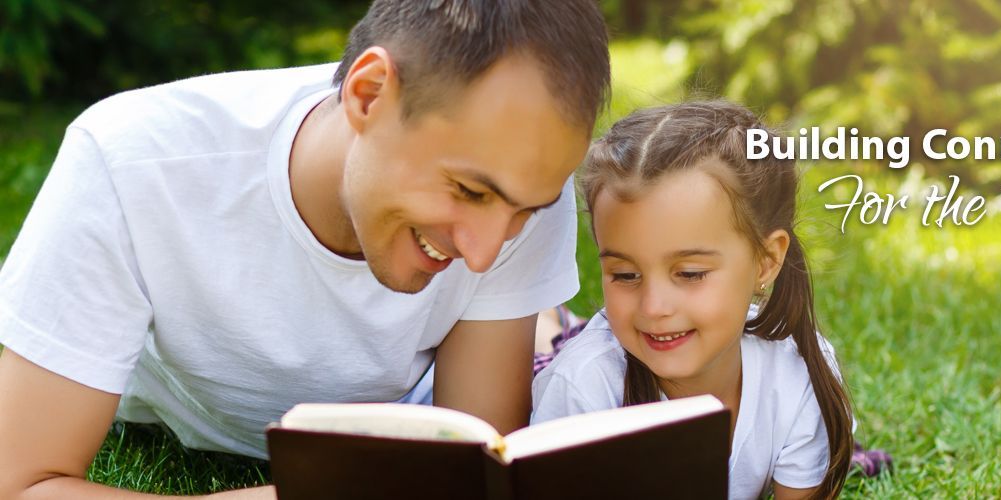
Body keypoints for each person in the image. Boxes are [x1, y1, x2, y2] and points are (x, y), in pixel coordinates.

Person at [0, 0, 609, 497]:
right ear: (369, 95)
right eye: (468, 191)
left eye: (524, 211)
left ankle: (546, 326)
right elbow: (22, 482)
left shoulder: (521, 191)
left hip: (406, 399)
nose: (484, 254)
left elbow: (474, 465)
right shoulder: (132, 163)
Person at [531, 101, 856, 500]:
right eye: (626, 275)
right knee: (555, 345)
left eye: (689, 274)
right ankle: (549, 322)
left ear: (766, 261)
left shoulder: (800, 377)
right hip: (581, 356)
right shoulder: (583, 389)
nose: (654, 307)